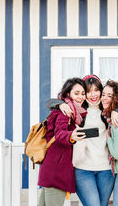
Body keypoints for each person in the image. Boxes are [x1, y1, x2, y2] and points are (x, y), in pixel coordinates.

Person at [46, 75, 118, 206]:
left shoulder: (107, 109)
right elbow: (50, 102)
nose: (93, 94)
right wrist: (60, 104)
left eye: (96, 90)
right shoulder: (75, 108)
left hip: (106, 169)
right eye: (88, 91)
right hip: (82, 169)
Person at [38, 77, 88, 206]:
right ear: (68, 94)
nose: (81, 97)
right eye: (76, 93)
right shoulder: (65, 111)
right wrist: (72, 135)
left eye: (83, 94)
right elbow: (59, 133)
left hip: (52, 168)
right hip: (56, 171)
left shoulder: (74, 112)